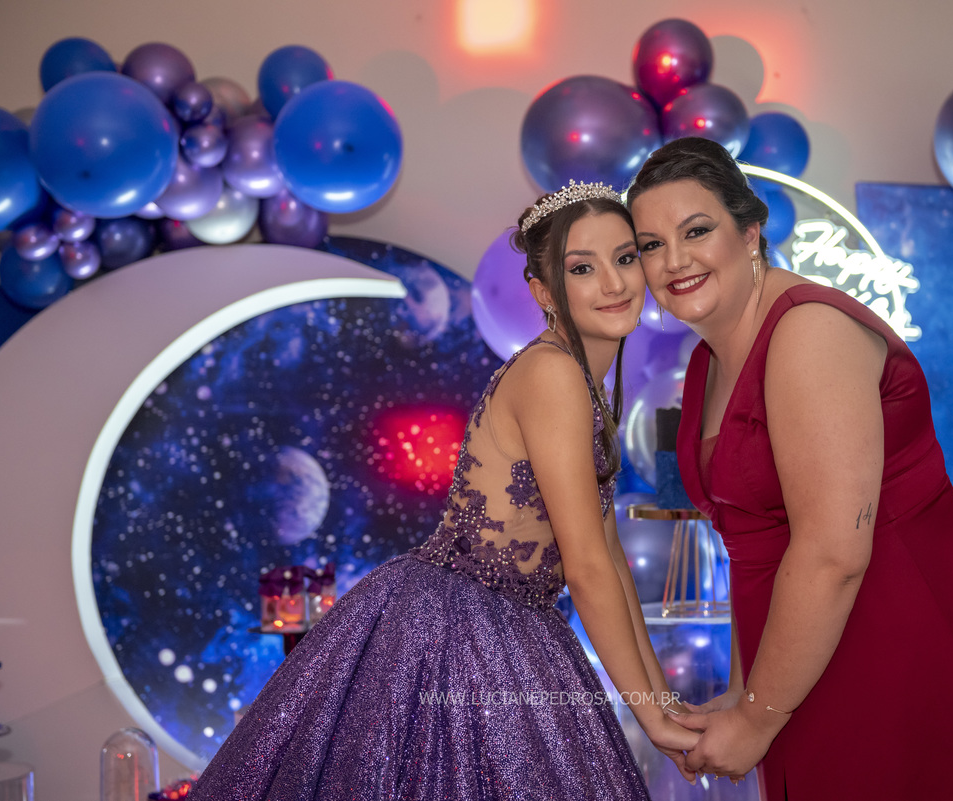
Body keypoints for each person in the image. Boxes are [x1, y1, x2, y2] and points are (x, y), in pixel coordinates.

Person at [189, 181, 699, 801]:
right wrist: (652, 722)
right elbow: (588, 568)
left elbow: (610, 555)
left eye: (625, 258)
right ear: (543, 292)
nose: (614, 283)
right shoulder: (553, 373)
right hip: (460, 626)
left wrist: (661, 701)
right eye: (582, 268)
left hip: (504, 618)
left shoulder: (581, 379)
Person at [625, 137, 953, 801]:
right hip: (813, 640)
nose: (674, 260)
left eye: (696, 231)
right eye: (650, 245)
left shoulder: (810, 331)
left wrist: (757, 717)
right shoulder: (706, 363)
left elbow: (833, 552)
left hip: (915, 618)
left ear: (750, 233)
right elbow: (756, 550)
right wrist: (749, 691)